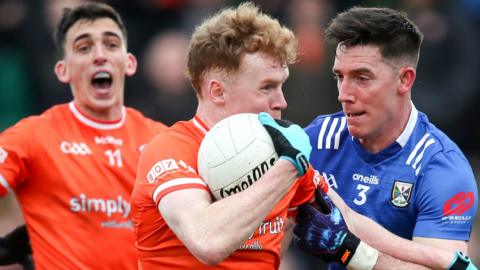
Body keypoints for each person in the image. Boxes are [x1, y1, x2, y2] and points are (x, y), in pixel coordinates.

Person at [130, 2, 328, 269]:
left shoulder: (284, 154)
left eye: (282, 85)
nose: (281, 101)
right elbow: (208, 242)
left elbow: (350, 224)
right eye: (267, 87)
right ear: (217, 92)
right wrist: (287, 167)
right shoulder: (170, 149)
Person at [297, 6, 478, 269]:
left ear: (404, 80)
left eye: (361, 77)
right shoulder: (317, 140)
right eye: (340, 77)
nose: (344, 94)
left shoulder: (441, 167)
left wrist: (350, 249)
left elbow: (443, 267)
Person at [0, 2, 166, 269]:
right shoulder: (33, 136)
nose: (99, 55)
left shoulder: (163, 141)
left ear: (129, 63)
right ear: (62, 70)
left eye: (111, 45)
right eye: (84, 48)